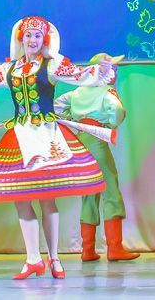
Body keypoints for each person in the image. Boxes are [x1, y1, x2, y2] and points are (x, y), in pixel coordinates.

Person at [0, 16, 116, 279]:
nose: (32, 40)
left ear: (44, 40)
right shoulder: (8, 69)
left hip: (47, 135)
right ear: (20, 39)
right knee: (21, 199)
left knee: (47, 197)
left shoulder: (53, 65)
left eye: (37, 36)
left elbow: (81, 75)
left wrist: (100, 70)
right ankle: (33, 259)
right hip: (20, 135)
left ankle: (54, 258)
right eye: (28, 35)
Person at [54, 51, 141, 263]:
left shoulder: (77, 93)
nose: (115, 72)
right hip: (97, 141)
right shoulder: (106, 92)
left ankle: (88, 249)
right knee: (110, 191)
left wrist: (75, 121)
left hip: (82, 141)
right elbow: (118, 110)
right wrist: (109, 124)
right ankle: (114, 248)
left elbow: (56, 107)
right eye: (112, 69)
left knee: (89, 192)